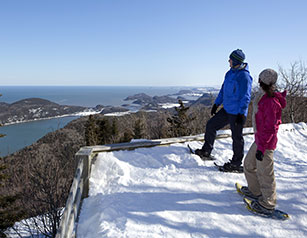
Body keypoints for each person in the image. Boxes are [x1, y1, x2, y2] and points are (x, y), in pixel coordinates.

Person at [195, 49, 253, 172]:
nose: (229, 61)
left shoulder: (244, 76)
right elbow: (223, 90)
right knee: (211, 125)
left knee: (237, 138)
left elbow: (246, 96)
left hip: (237, 113)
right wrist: (216, 104)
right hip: (227, 109)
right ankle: (206, 151)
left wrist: (242, 113)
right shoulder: (229, 73)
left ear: (236, 61)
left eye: (230, 59)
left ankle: (236, 163)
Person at [241, 69, 287, 214]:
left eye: (260, 79)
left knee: (265, 173)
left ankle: (268, 204)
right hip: (260, 140)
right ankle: (255, 191)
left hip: (266, 144)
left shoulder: (270, 102)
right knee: (248, 164)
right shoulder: (264, 96)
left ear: (264, 82)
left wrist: (262, 148)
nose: (258, 81)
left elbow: (271, 129)